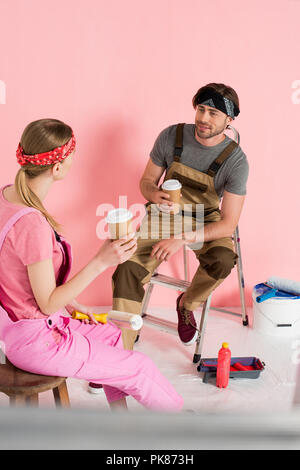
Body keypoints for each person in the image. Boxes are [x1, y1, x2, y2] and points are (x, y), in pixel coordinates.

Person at [0, 118, 184, 412]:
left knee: (113, 335)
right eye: (72, 156)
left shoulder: (7, 197)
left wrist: (72, 303)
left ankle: (120, 422)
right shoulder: (31, 224)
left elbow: (22, 276)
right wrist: (101, 261)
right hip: (36, 341)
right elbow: (47, 303)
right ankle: (188, 429)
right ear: (57, 168)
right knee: (140, 366)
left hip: (17, 329)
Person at [112, 83, 249, 349]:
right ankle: (119, 349)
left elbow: (228, 223)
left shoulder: (236, 161)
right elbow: (147, 182)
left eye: (213, 114)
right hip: (164, 216)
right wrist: (154, 194)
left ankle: (186, 303)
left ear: (229, 120)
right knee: (127, 268)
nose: (203, 119)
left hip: (204, 220)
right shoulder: (171, 136)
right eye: (201, 109)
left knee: (222, 259)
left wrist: (182, 239)